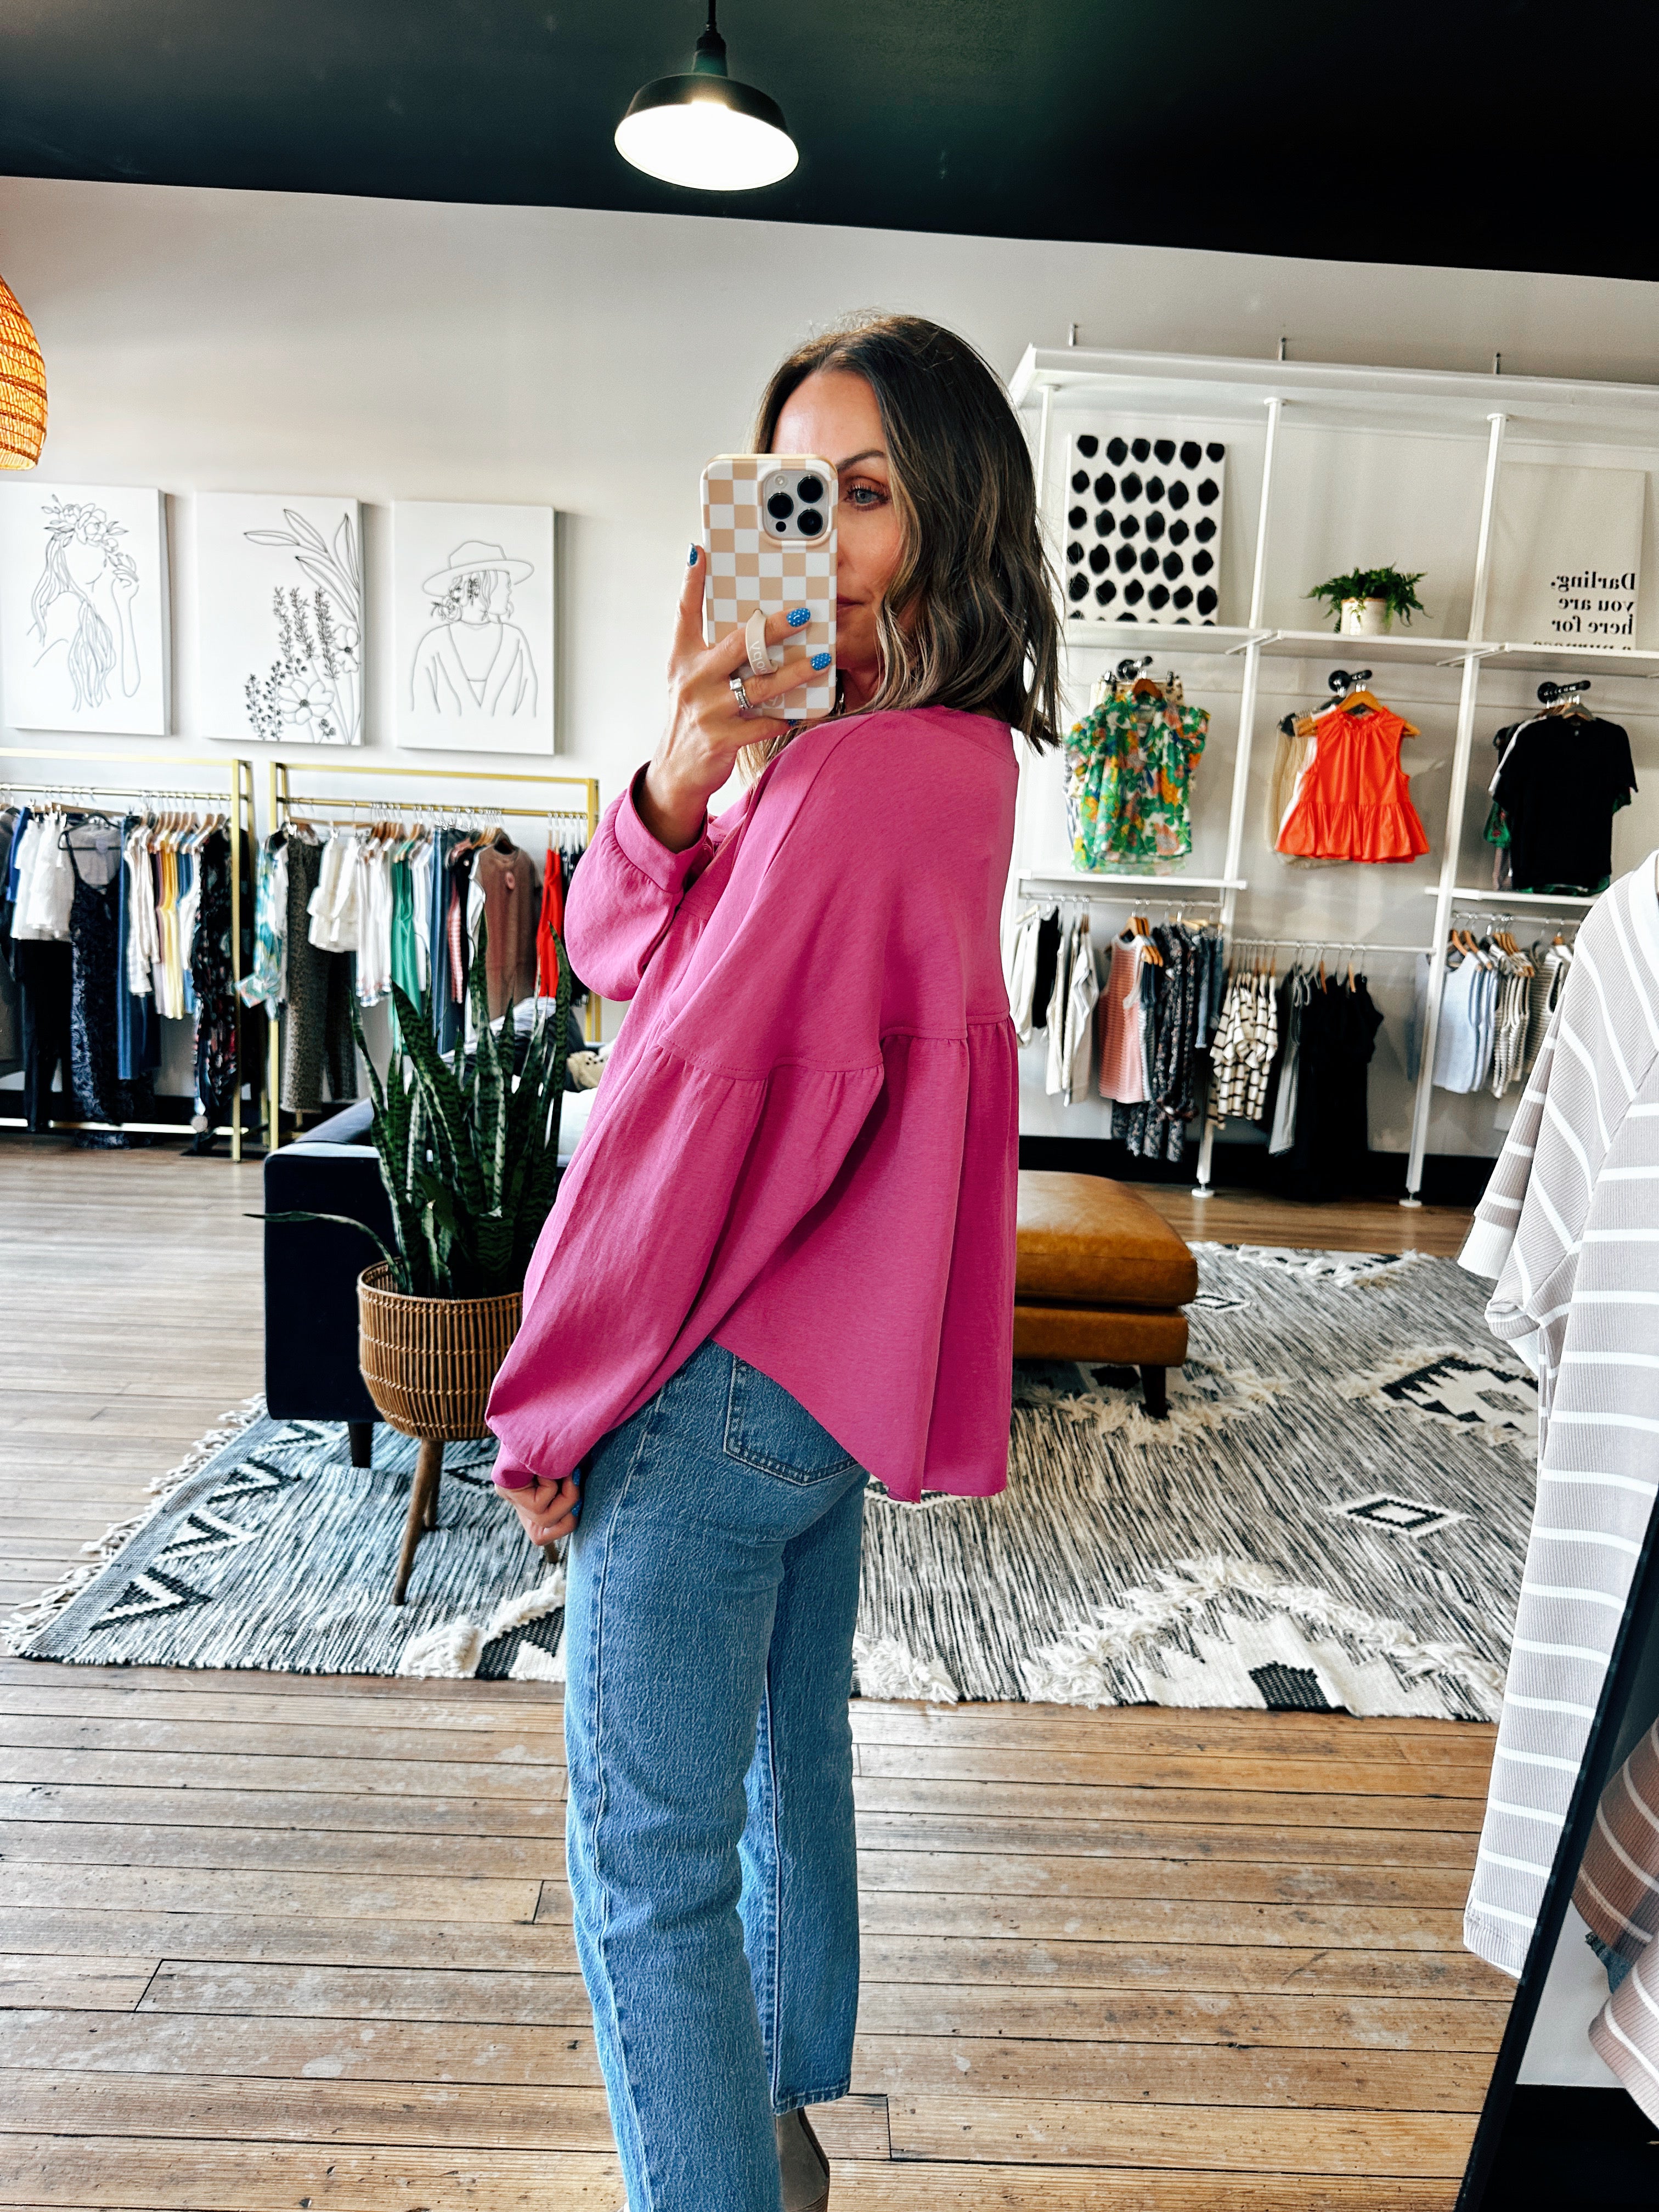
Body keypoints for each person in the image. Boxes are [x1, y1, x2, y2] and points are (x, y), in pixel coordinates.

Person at [485, 313, 1060, 2212]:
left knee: (647, 1867)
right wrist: (676, 783)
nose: (826, 540)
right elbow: (614, 947)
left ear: (957, 512)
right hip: (818, 1393)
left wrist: (549, 1404)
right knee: (786, 1766)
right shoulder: (944, 761)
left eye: (868, 494)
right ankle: (785, 2133)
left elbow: (678, 1109)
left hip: (711, 1380)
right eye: (795, 496)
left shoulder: (844, 786)